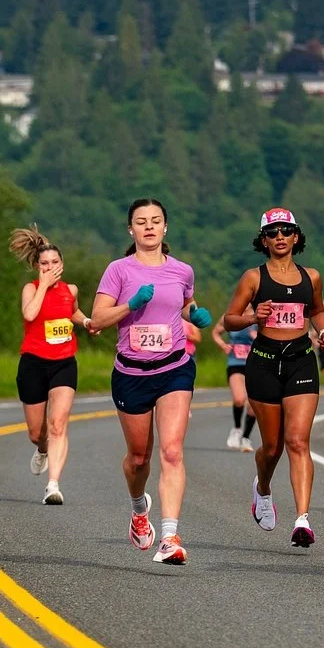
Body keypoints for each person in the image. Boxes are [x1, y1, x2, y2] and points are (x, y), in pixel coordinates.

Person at [90, 199, 213, 566]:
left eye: (155, 221)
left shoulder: (181, 270)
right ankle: (138, 508)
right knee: (139, 458)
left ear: (165, 228)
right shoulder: (118, 270)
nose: (148, 227)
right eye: (141, 222)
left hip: (175, 367)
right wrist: (130, 305)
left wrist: (196, 314)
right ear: (131, 229)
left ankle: (171, 536)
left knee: (172, 450)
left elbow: (185, 303)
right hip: (131, 372)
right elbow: (97, 319)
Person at [222, 208, 324, 547]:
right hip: (264, 363)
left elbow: (315, 309)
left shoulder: (311, 276)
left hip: (301, 361)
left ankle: (302, 519)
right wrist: (252, 317)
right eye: (273, 232)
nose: (280, 237)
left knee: (298, 441)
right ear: (264, 240)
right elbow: (229, 319)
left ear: (296, 236)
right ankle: (263, 489)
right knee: (271, 448)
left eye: (286, 230)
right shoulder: (253, 278)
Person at [8, 225, 95, 505]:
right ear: (37, 266)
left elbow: (73, 312)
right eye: (44, 264)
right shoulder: (30, 289)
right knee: (37, 433)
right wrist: (43, 286)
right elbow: (30, 313)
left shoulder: (71, 289)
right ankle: (42, 449)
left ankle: (53, 485)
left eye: (55, 262)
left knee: (58, 424)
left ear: (62, 264)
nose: (50, 267)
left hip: (64, 364)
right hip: (33, 363)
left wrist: (86, 322)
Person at [211, 311, 258, 452]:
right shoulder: (231, 314)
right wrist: (222, 344)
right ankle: (237, 429)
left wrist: (256, 337)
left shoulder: (259, 313)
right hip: (235, 362)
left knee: (253, 404)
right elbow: (215, 332)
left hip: (255, 364)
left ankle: (246, 438)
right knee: (239, 399)